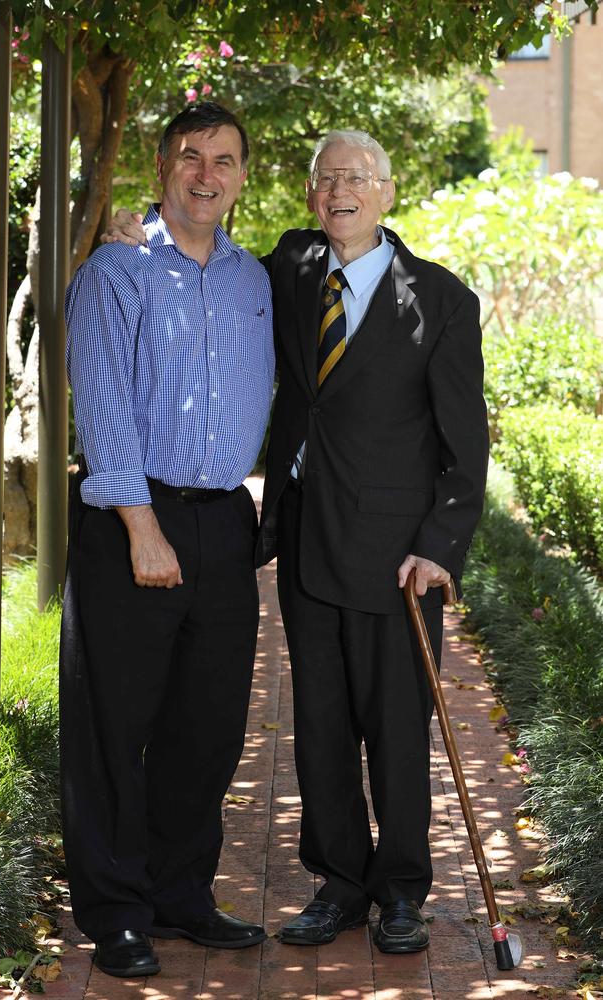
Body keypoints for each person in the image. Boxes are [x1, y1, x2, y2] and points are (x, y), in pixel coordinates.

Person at [105, 126, 489, 955]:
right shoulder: (288, 267)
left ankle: (401, 891)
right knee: (318, 728)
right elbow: (192, 232)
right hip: (308, 543)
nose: (337, 191)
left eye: (355, 178)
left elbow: (468, 445)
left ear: (386, 191)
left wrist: (440, 547)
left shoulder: (444, 299)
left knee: (393, 729)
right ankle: (340, 883)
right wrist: (135, 225)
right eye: (324, 180)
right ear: (310, 196)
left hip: (398, 561)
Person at [61, 102, 274, 979]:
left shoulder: (251, 278)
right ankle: (114, 913)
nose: (206, 173)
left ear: (242, 177)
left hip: (224, 522)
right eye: (191, 155)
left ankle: (181, 894)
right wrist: (142, 526)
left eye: (223, 160)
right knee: (116, 727)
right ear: (161, 164)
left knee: (208, 725)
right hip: (132, 522)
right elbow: (103, 399)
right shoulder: (117, 268)